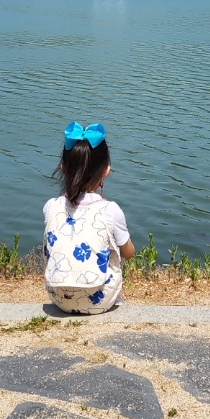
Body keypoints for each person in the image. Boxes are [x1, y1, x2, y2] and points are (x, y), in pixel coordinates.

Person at [42, 121, 135, 314]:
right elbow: (128, 253)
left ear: (63, 167)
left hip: (58, 298)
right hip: (101, 301)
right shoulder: (110, 210)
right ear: (106, 171)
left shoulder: (51, 207)